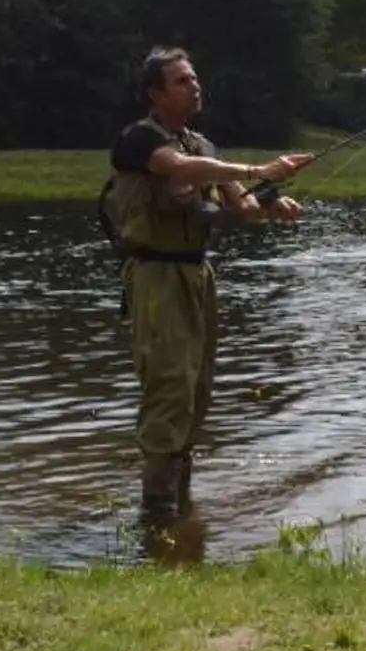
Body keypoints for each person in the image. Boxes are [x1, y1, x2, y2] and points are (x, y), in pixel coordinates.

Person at [106, 46, 312, 524]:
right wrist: (260, 170)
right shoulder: (138, 140)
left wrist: (272, 205)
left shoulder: (204, 147)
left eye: (195, 78)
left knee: (197, 390)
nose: (194, 86)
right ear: (156, 94)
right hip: (156, 276)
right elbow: (178, 170)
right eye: (181, 81)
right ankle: (156, 515)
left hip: (199, 276)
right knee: (169, 387)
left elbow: (239, 209)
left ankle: (181, 511)